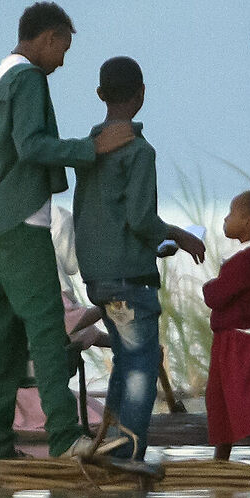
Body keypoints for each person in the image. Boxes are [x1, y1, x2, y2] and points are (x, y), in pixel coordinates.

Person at [0, 2, 135, 460]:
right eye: (62, 47)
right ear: (46, 38)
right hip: (24, 219)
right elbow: (31, 145)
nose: (62, 60)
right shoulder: (27, 78)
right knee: (46, 329)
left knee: (1, 332)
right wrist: (91, 147)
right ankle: (65, 438)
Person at [71, 55, 205, 467]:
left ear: (99, 95)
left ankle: (110, 443)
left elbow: (108, 217)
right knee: (142, 365)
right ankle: (128, 451)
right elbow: (141, 219)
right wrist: (177, 235)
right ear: (142, 94)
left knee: (124, 364)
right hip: (130, 280)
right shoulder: (140, 152)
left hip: (100, 279)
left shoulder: (89, 151)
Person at [202, 188, 250, 466]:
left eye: (231, 214)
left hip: (243, 340)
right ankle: (222, 457)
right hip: (231, 339)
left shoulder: (246, 260)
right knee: (222, 398)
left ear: (248, 223)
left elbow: (218, 295)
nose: (225, 219)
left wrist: (208, 286)